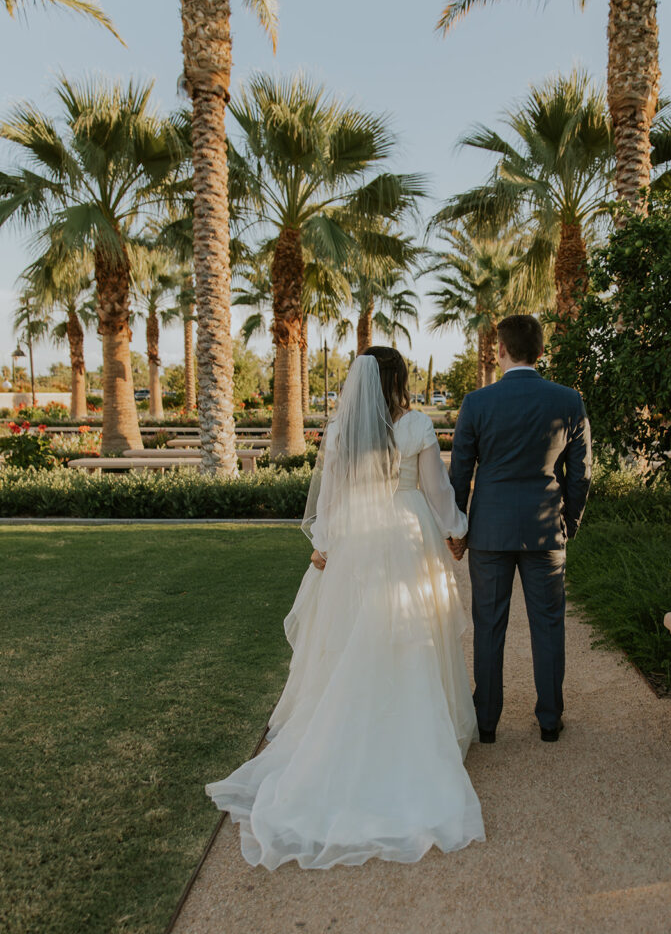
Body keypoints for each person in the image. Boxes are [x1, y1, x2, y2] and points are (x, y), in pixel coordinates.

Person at [206, 347, 484, 870]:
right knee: (409, 627)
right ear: (399, 380)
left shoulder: (338, 433)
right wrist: (456, 531)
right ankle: (414, 724)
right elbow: (435, 491)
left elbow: (330, 501)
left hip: (357, 539)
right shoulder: (417, 425)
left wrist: (326, 545)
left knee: (356, 629)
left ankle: (353, 721)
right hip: (404, 534)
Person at [449, 314, 592, 744]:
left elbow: (459, 472)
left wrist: (458, 528)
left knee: (488, 625)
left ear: (501, 351)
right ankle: (550, 721)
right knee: (548, 625)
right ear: (541, 352)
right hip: (546, 530)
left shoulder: (477, 403)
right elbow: (581, 473)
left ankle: (487, 724)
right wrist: (569, 522)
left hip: (489, 531)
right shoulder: (568, 400)